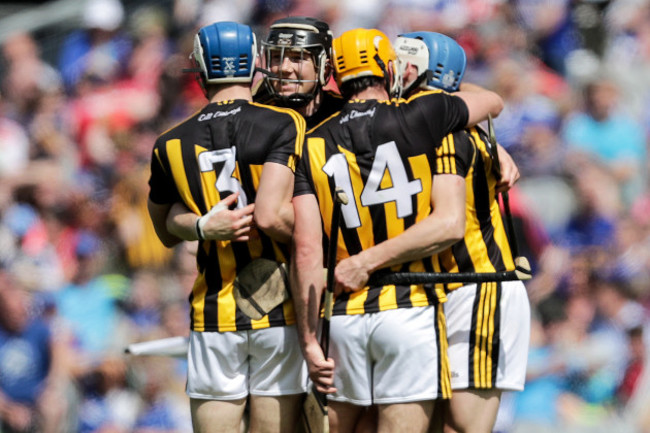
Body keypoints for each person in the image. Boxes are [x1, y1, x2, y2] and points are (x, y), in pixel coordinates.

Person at [291, 28, 503, 433]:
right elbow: (493, 102)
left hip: (346, 316)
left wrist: (308, 341)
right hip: (411, 306)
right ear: (389, 69)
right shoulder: (423, 113)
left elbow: (306, 254)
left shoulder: (311, 144)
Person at [147, 21, 307, 433]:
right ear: (255, 66)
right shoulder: (284, 122)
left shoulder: (169, 143)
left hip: (213, 312)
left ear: (199, 73)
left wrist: (203, 225)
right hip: (279, 308)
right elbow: (275, 213)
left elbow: (164, 228)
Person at [394, 32, 531, 433]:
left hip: (480, 285)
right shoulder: (424, 119)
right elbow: (482, 96)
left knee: (461, 427)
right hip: (440, 287)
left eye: (404, 64)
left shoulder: (443, 128)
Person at [255, 16, 345, 128]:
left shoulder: (342, 115)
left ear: (324, 69)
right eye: (277, 57)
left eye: (297, 58)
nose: (284, 68)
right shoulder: (254, 111)